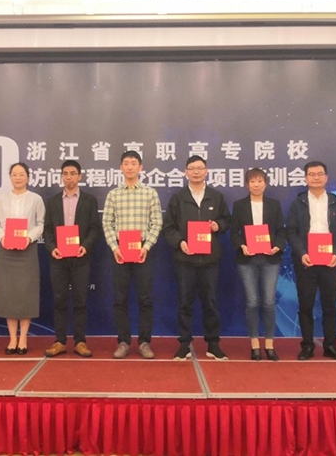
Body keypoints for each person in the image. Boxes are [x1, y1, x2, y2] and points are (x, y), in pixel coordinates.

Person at [163, 156, 231, 361]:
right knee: (185, 302)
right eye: (192, 168)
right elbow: (169, 228)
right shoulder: (178, 198)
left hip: (210, 260)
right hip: (185, 260)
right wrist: (179, 242)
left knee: (210, 302)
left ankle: (213, 345)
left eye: (200, 168)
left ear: (206, 171)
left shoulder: (216, 196)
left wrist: (218, 225)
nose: (196, 172)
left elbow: (226, 220)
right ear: (185, 172)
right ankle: (184, 344)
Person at [286, 161, 336, 361]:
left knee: (329, 306)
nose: (316, 177)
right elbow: (291, 231)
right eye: (312, 174)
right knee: (305, 306)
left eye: (320, 174)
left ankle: (331, 346)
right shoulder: (298, 203)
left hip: (330, 260)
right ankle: (307, 346)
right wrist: (301, 253)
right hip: (306, 261)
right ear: (305, 178)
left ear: (326, 177)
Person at [102, 150, 163, 359]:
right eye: (126, 163)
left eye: (133, 163)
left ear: (140, 167)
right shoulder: (113, 194)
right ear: (121, 168)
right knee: (120, 299)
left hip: (143, 250)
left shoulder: (150, 193)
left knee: (145, 298)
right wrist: (115, 247)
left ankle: (145, 342)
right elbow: (107, 223)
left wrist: (146, 247)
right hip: (120, 251)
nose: (130, 167)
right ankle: (123, 342)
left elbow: (157, 222)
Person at [43, 160, 101, 358]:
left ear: (79, 176)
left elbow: (94, 228)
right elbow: (47, 230)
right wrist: (52, 248)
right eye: (65, 173)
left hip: (80, 258)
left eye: (73, 173)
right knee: (59, 300)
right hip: (58, 258)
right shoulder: (52, 202)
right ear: (62, 176)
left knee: (80, 300)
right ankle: (59, 341)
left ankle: (80, 341)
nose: (69, 177)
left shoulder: (89, 200)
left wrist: (85, 246)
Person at [0, 163, 45, 355]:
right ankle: (12, 338)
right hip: (6, 251)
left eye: (22, 174)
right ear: (10, 177)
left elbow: (41, 224)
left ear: (28, 177)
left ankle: (23, 338)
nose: (18, 178)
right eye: (14, 174)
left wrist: (28, 237)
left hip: (27, 250)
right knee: (9, 294)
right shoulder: (1, 200)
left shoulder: (36, 199)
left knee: (25, 293)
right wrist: (3, 237)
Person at [230, 168, 286, 361]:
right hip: (248, 259)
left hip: (270, 258)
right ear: (247, 185)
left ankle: (269, 344)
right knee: (252, 302)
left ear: (266, 184)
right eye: (252, 181)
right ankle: (254, 344)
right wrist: (242, 246)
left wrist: (277, 246)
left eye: (260, 181)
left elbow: (281, 231)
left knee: (269, 302)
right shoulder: (239, 205)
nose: (256, 185)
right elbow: (234, 232)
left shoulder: (274, 204)